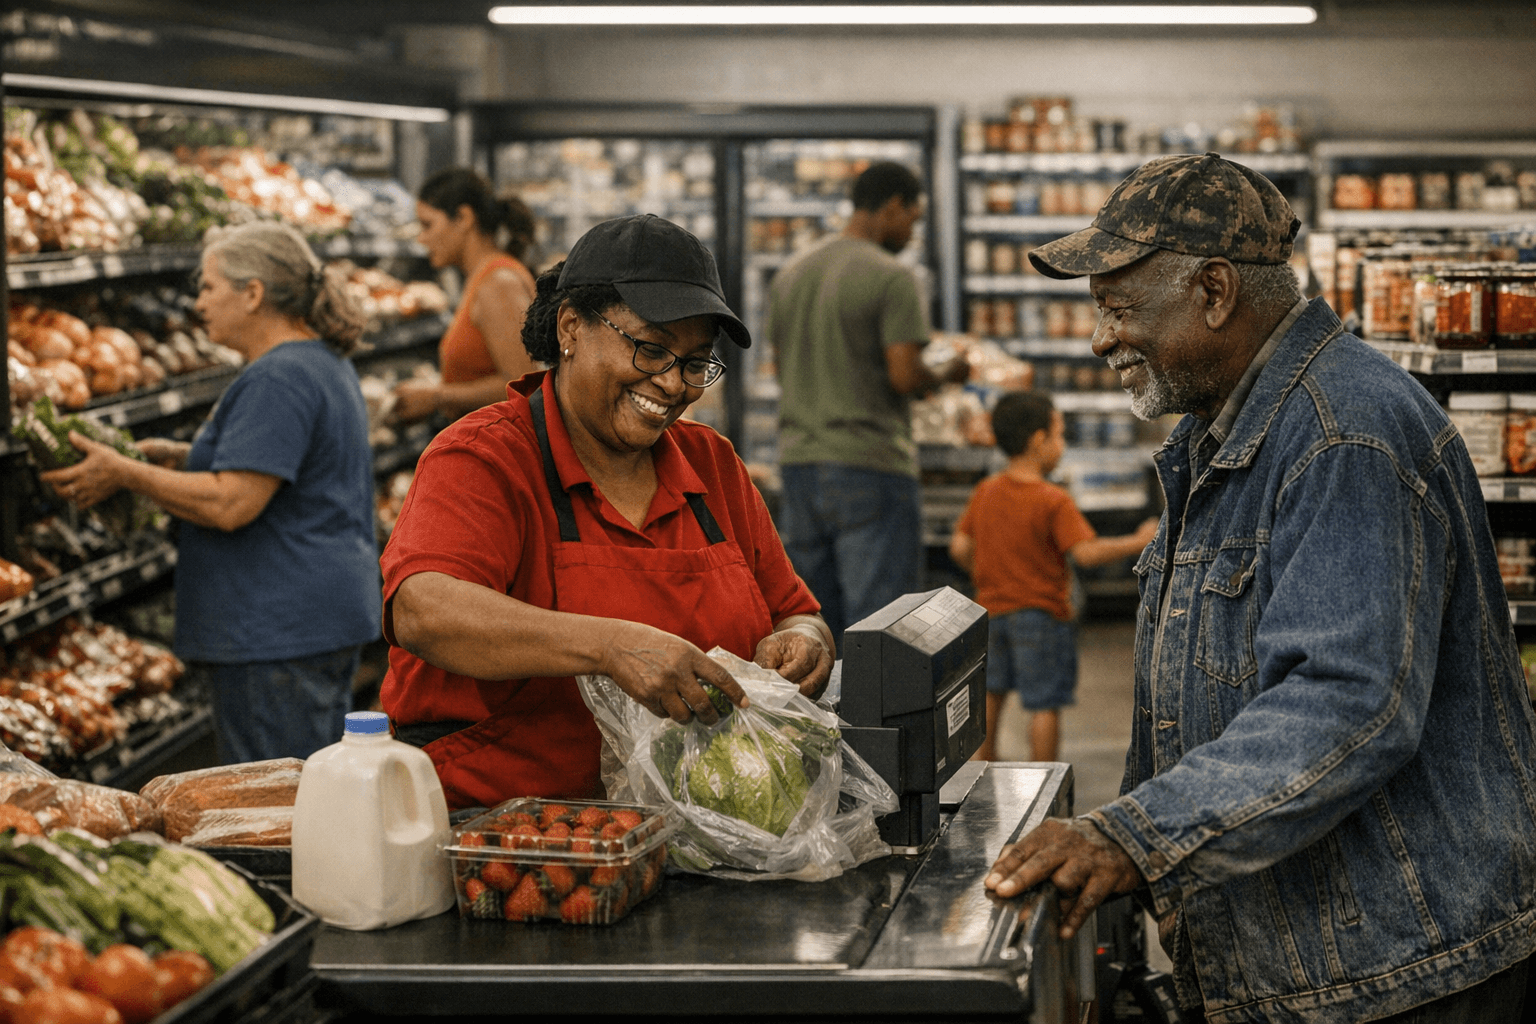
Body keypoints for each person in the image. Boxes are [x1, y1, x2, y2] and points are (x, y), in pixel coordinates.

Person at [981, 154, 1536, 1024]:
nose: (1101, 339)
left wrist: (1136, 839)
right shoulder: (1229, 434)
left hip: (1402, 973)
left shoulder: (1342, 435)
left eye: (1118, 309)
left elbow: (1347, 699)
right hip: (1322, 960)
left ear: (1212, 291)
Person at [378, 213, 835, 811]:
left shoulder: (711, 463)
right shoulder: (484, 456)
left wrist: (803, 646)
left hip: (689, 834)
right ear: (571, 327)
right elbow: (424, 609)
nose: (674, 384)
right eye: (651, 350)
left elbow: (797, 613)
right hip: (504, 838)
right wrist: (607, 647)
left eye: (696, 362)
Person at [41, 221, 381, 764]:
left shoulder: (279, 377)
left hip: (277, 629)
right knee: (306, 785)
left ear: (253, 294)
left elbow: (231, 503)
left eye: (207, 286)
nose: (198, 302)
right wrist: (178, 460)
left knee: (273, 803)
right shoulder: (317, 362)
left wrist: (126, 474)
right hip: (309, 617)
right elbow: (278, 472)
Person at [766, 161, 968, 644]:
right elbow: (904, 376)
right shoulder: (891, 275)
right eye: (912, 219)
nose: (912, 232)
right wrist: (947, 371)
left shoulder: (790, 274)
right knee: (879, 630)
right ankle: (873, 722)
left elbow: (779, 366)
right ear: (892, 206)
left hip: (799, 465)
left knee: (813, 626)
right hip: (870, 466)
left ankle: (819, 721)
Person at [949, 390, 1157, 763]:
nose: (1062, 445)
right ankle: (1043, 780)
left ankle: (981, 775)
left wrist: (989, 571)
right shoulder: (1052, 499)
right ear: (1039, 440)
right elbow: (1086, 553)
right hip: (1042, 617)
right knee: (1044, 704)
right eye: (1060, 436)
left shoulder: (986, 491)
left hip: (991, 613)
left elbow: (960, 547)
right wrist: (1138, 541)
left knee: (991, 696)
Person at [393, 167, 540, 422]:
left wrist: (438, 396)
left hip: (500, 453)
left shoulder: (498, 283)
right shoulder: (482, 278)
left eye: (428, 225)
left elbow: (523, 386)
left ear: (463, 218)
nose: (421, 238)